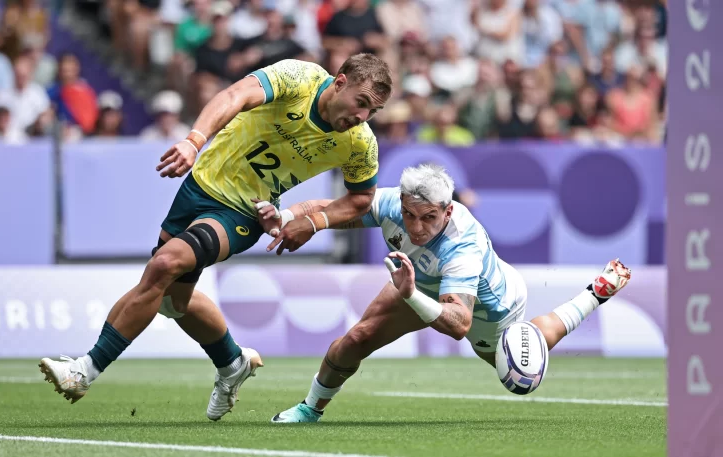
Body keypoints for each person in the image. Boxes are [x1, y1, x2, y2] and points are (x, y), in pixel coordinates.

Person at [38, 54, 393, 422]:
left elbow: (361, 198)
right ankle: (232, 361)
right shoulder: (299, 78)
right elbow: (234, 96)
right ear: (339, 83)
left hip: (244, 212)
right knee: (173, 301)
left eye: (374, 111)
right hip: (198, 186)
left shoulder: (359, 144)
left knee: (164, 264)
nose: (363, 116)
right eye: (361, 102)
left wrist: (315, 221)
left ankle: (84, 371)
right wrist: (194, 141)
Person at [252, 164, 631, 423]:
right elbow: (332, 208)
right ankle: (309, 410)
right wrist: (286, 218)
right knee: (357, 338)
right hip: (419, 282)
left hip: (489, 311)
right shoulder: (392, 203)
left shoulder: (462, 247)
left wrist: (411, 293)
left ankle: (594, 294)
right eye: (410, 215)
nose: (416, 227)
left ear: (447, 212)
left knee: (521, 369)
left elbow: (458, 324)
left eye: (428, 217)